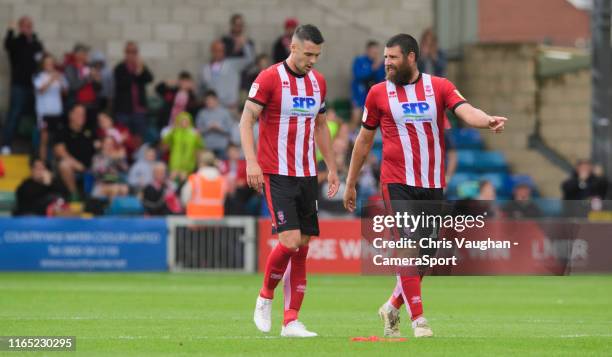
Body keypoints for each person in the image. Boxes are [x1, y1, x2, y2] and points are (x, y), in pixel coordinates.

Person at [343, 34, 507, 338]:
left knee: (427, 256)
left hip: (431, 184)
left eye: (393, 58)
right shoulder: (378, 94)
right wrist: (350, 182)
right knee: (407, 247)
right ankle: (419, 320)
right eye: (385, 57)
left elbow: (465, 109)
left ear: (411, 57)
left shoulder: (439, 86)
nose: (387, 63)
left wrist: (486, 120)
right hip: (396, 183)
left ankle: (392, 305)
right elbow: (364, 141)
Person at [241, 24, 339, 338]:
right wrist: (252, 161)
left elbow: (321, 126)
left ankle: (291, 321)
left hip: (308, 173)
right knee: (290, 241)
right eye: (308, 53)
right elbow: (247, 119)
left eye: (317, 55)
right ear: (292, 48)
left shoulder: (318, 83)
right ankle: (265, 296)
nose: (313, 60)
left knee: (303, 247)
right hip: (277, 172)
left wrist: (333, 168)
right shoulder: (269, 78)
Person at [3, 17, 45, 155]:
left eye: (29, 26)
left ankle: (34, 147)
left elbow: (41, 59)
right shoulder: (16, 42)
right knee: (14, 115)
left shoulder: (36, 43)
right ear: (20, 27)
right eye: (25, 26)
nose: (27, 29)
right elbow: (7, 45)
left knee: (36, 117)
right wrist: (10, 30)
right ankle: (6, 145)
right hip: (19, 86)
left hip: (34, 87)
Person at [54, 105, 96, 201]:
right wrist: (76, 164)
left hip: (92, 166)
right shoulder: (63, 131)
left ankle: (95, 197)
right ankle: (74, 194)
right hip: (74, 167)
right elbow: (60, 152)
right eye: (78, 114)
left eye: (83, 114)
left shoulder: (90, 131)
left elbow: (99, 146)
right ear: (71, 115)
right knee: (63, 165)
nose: (82, 116)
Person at [113, 41, 154, 139]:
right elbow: (123, 84)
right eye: (129, 52)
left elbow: (150, 78)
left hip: (139, 110)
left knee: (140, 138)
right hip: (124, 111)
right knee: (124, 138)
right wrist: (136, 73)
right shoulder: (119, 68)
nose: (131, 54)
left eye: (134, 52)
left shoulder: (140, 66)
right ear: (125, 53)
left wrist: (141, 69)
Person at [201, 39, 254, 110]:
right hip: (214, 109)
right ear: (211, 51)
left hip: (230, 107)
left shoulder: (232, 64)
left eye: (220, 50)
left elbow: (249, 60)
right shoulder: (206, 69)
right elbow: (203, 88)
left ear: (224, 52)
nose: (218, 53)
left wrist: (245, 44)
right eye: (215, 50)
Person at [33, 53, 67, 161]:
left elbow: (65, 93)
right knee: (44, 139)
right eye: (47, 63)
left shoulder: (59, 75)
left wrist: (60, 81)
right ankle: (43, 163)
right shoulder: (38, 76)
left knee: (56, 140)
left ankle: (54, 164)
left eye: (51, 63)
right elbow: (41, 90)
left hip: (56, 112)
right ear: (43, 64)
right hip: (44, 112)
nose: (50, 65)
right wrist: (51, 79)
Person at [64, 43, 102, 130]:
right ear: (77, 54)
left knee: (91, 129)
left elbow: (98, 88)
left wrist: (97, 80)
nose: (86, 55)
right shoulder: (71, 68)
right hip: (78, 105)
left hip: (91, 105)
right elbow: (74, 85)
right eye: (84, 53)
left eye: (86, 53)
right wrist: (89, 77)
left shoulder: (89, 67)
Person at [350, 40, 385, 130]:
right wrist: (372, 68)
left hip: (373, 95)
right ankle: (350, 136)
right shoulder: (359, 60)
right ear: (368, 50)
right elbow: (357, 75)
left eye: (376, 52)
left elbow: (381, 80)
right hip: (359, 93)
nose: (375, 54)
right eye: (373, 52)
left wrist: (379, 67)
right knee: (357, 114)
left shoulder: (380, 63)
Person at [181, 150, 226, 218]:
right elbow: (223, 200)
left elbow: (184, 199)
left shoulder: (195, 179)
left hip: (196, 222)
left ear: (200, 163)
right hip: (216, 223)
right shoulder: (222, 181)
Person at [162, 111, 204, 181]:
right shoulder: (175, 132)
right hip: (175, 161)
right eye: (182, 121)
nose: (184, 123)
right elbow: (165, 141)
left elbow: (200, 146)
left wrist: (199, 137)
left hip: (188, 161)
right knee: (172, 179)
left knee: (184, 180)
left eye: (186, 121)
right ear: (179, 122)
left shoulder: (193, 133)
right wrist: (172, 130)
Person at [195, 90, 236, 159]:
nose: (209, 102)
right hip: (207, 147)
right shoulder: (202, 113)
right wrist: (208, 128)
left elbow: (230, 130)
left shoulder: (225, 112)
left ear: (216, 100)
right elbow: (198, 131)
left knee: (222, 168)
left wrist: (219, 128)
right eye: (207, 100)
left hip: (222, 147)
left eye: (211, 100)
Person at [91, 136, 129, 201]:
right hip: (100, 186)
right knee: (115, 188)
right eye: (107, 143)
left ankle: (120, 209)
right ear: (102, 144)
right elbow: (99, 176)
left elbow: (126, 170)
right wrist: (110, 159)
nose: (109, 146)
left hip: (116, 183)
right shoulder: (97, 157)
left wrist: (121, 159)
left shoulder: (116, 156)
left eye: (111, 144)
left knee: (125, 188)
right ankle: (111, 210)